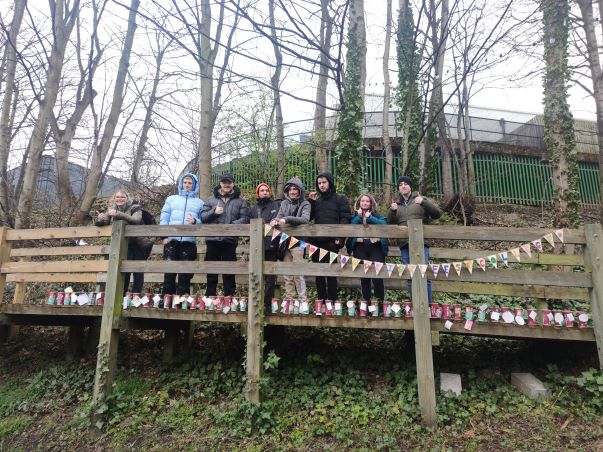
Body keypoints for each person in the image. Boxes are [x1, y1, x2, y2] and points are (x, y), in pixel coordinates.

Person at [387, 175, 442, 302]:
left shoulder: (420, 199)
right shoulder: (397, 204)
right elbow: (390, 223)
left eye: (406, 183)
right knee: (410, 275)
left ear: (410, 186)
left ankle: (427, 306)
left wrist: (424, 202)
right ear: (398, 189)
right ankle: (415, 304)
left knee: (424, 273)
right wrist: (392, 211)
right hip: (405, 244)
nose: (403, 186)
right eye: (400, 185)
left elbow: (437, 214)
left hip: (421, 243)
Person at [95, 189, 154, 295]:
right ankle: (122, 296)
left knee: (138, 271)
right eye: (117, 197)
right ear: (114, 198)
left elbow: (136, 220)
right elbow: (104, 222)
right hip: (125, 244)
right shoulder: (112, 209)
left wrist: (118, 214)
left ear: (127, 198)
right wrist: (100, 218)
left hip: (140, 244)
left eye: (122, 197)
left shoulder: (135, 207)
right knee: (125, 271)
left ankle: (136, 296)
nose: (120, 199)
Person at [201, 173, 250, 297]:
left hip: (230, 240)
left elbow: (245, 219)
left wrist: (231, 225)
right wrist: (214, 211)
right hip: (212, 240)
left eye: (229, 182)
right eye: (224, 182)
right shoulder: (211, 200)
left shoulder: (241, 201)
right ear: (220, 184)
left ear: (233, 183)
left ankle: (230, 298)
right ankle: (210, 298)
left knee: (229, 271)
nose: (227, 185)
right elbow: (203, 217)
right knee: (211, 272)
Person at [308, 171, 351, 301]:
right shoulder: (317, 201)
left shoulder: (340, 199)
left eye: (324, 182)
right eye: (319, 183)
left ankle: (332, 302)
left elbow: (345, 219)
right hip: (316, 243)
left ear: (330, 182)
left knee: (331, 273)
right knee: (319, 273)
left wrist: (340, 239)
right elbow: (309, 218)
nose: (321, 185)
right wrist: (311, 202)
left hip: (332, 242)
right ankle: (321, 302)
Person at [160, 173, 204, 295]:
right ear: (181, 184)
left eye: (190, 183)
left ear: (194, 185)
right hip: (171, 242)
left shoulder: (200, 203)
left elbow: (203, 222)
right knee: (169, 274)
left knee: (185, 275)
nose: (187, 185)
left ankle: (182, 303)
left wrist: (195, 221)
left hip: (188, 243)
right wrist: (164, 236)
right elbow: (164, 219)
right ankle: (167, 303)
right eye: (185, 182)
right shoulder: (171, 199)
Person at [270, 177, 311, 305]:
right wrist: (274, 221)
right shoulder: (283, 203)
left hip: (299, 242)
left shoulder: (305, 204)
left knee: (298, 273)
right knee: (287, 274)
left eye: (295, 189)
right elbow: (279, 217)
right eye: (290, 189)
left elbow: (305, 219)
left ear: (299, 190)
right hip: (285, 242)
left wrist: (287, 219)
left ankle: (303, 301)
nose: (293, 191)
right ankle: (290, 301)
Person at [346, 193, 388, 307]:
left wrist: (370, 218)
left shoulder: (378, 215)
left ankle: (379, 305)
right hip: (360, 248)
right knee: (364, 277)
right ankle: (367, 305)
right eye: (362, 201)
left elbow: (384, 224)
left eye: (367, 201)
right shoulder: (354, 216)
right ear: (359, 203)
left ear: (371, 203)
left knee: (377, 277)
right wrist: (359, 217)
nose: (364, 203)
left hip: (376, 247)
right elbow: (350, 227)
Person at [250, 182, 281, 305]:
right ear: (258, 193)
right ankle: (256, 303)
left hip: (272, 245)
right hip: (257, 246)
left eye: (266, 190)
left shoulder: (276, 205)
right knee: (256, 275)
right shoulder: (253, 209)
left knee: (270, 277)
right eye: (262, 190)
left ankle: (267, 304)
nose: (265, 192)